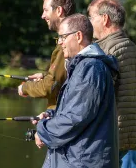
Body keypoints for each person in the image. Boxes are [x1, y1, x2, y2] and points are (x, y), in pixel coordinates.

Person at [33, 14, 119, 168]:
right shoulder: (83, 66)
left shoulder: (90, 68)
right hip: (77, 157)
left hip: (82, 161)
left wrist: (43, 129)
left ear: (78, 36)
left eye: (62, 37)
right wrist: (51, 116)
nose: (59, 42)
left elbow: (75, 118)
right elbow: (77, 109)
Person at [87, 0, 136, 167]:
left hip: (110, 134)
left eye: (91, 17)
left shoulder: (106, 50)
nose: (89, 23)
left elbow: (96, 97)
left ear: (104, 19)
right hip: (131, 134)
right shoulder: (134, 49)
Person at [17, 0, 76, 109]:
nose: (42, 16)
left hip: (62, 118)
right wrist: (46, 76)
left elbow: (50, 86)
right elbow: (66, 79)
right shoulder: (74, 39)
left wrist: (25, 88)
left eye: (45, 10)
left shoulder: (66, 44)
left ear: (59, 10)